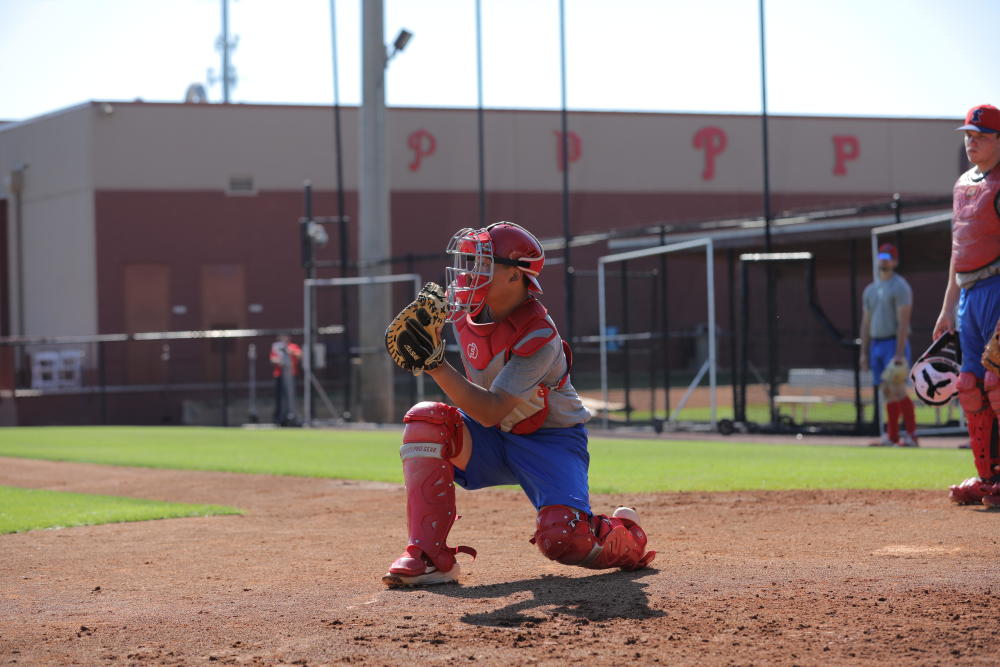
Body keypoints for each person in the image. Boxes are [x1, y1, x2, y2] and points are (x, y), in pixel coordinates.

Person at [382, 221, 654, 587]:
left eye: (482, 263)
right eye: (468, 262)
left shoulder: (538, 334)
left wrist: (435, 366)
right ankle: (430, 557)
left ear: (516, 276)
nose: (468, 273)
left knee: (562, 537)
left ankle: (628, 537)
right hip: (491, 437)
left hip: (550, 440)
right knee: (426, 420)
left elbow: (493, 408)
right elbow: (488, 417)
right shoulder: (462, 306)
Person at [932, 103, 1000, 508]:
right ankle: (989, 479)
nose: (970, 142)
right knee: (969, 385)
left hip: (997, 290)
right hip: (969, 296)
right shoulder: (963, 184)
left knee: (996, 385)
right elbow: (958, 250)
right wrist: (946, 307)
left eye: (980, 136)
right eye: (968, 136)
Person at [860, 242, 917, 446]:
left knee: (898, 388)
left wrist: (899, 353)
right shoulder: (870, 290)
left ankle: (911, 435)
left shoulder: (900, 286)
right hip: (876, 344)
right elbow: (866, 322)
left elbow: (903, 322)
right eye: (882, 256)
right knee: (885, 390)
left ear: (895, 261)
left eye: (888, 257)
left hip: (893, 344)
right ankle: (891, 436)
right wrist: (864, 353)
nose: (884, 260)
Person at [269, 334, 301, 426]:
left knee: (291, 397)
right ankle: (280, 417)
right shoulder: (276, 347)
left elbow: (299, 354)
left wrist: (288, 351)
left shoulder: (292, 346)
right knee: (280, 397)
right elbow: (272, 359)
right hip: (279, 375)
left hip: (290, 375)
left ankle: (292, 416)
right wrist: (280, 361)